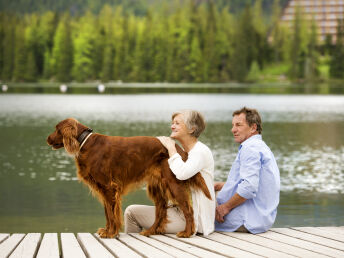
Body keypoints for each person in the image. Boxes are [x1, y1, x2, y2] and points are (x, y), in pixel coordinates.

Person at [124, 110, 216, 236]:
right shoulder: (184, 151)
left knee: (131, 214)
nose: (172, 126)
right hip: (177, 212)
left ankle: (131, 250)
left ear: (191, 129)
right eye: (172, 123)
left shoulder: (200, 151)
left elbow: (182, 173)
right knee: (131, 210)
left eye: (177, 123)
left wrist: (171, 149)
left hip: (194, 219)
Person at [215, 107, 280, 234]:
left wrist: (224, 208)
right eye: (233, 125)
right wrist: (222, 185)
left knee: (195, 211)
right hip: (262, 218)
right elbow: (258, 184)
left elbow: (249, 187)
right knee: (211, 191)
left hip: (247, 220)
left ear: (253, 128)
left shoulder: (250, 148)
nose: (233, 129)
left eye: (238, 125)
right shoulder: (261, 147)